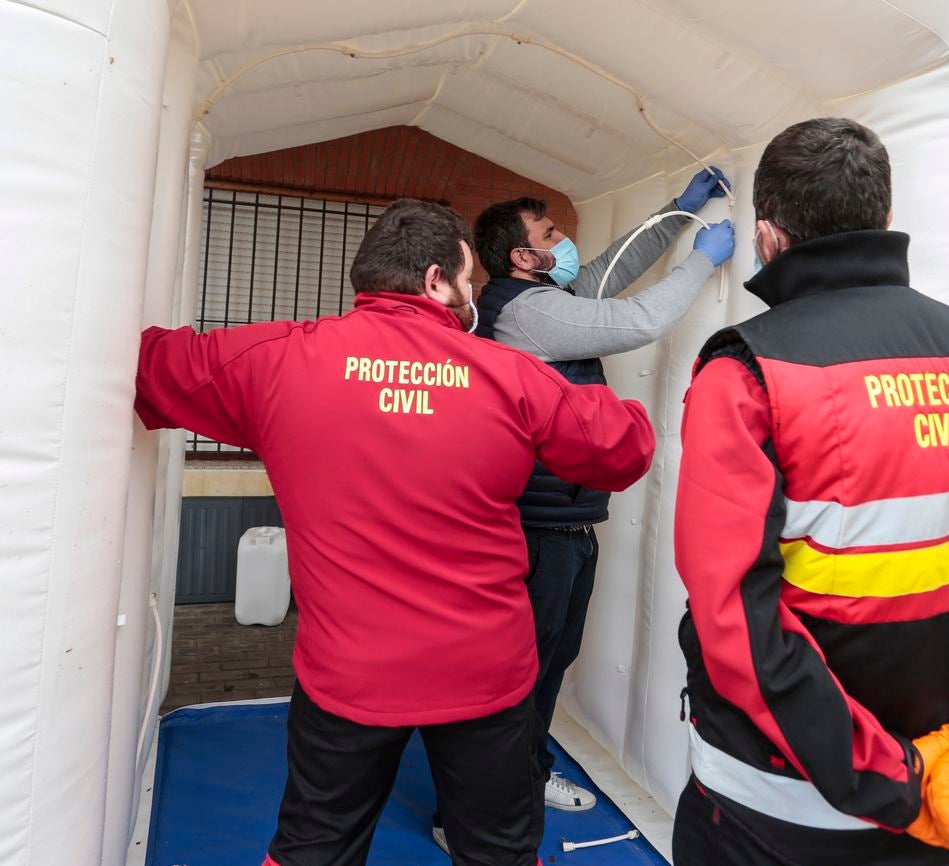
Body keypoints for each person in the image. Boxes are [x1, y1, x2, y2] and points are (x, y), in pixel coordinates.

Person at [133, 199, 655, 866]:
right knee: (497, 854)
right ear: (436, 279)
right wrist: (622, 406)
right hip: (483, 674)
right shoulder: (510, 375)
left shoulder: (277, 361)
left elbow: (148, 364)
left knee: (312, 851)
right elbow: (623, 448)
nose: (474, 298)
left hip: (348, 673)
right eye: (470, 282)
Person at [672, 118, 949, 866]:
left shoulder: (747, 375)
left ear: (768, 235)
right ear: (883, 219)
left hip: (778, 811)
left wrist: (892, 780)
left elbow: (734, 622)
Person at [463, 169, 734, 817]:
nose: (566, 240)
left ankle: (527, 774)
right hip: (534, 531)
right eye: (551, 234)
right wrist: (701, 260)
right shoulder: (526, 314)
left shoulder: (541, 299)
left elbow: (615, 268)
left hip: (562, 524)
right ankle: (477, 811)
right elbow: (636, 317)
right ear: (524, 258)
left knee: (550, 665)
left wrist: (679, 211)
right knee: (520, 677)